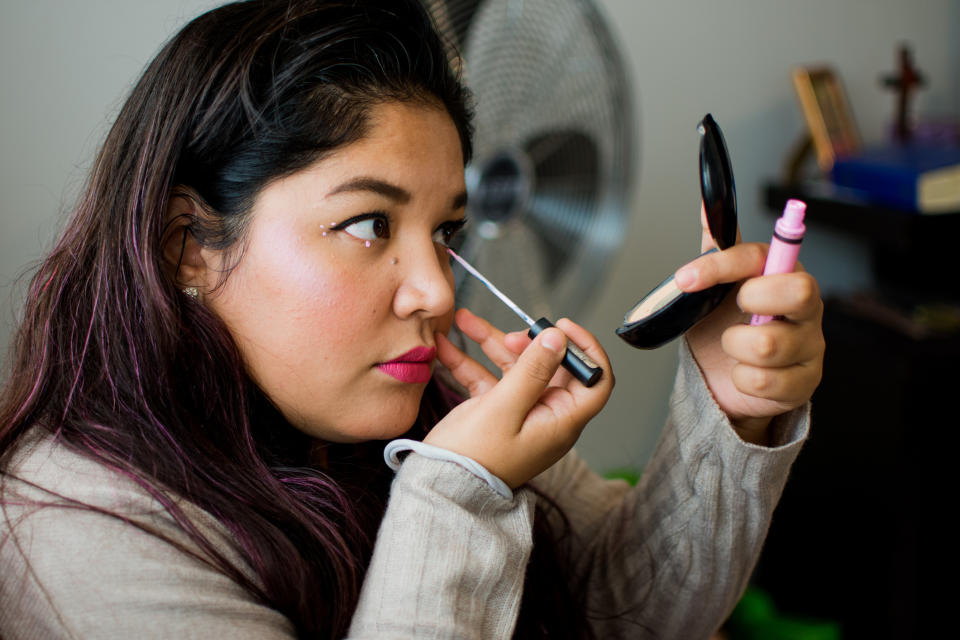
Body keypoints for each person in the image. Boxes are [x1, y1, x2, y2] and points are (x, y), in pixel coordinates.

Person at [0, 0, 824, 638]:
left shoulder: (441, 409)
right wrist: (460, 498)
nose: (436, 291)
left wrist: (728, 409)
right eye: (368, 224)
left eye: (447, 233)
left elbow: (635, 618)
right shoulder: (73, 528)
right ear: (188, 245)